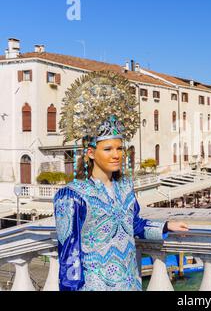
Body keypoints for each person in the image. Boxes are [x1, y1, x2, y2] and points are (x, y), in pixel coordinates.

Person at [54, 71, 188, 291]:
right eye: (108, 149)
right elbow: (69, 254)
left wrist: (166, 226)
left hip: (129, 283)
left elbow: (133, 225)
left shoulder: (125, 188)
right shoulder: (72, 196)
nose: (116, 155)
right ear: (90, 153)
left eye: (120, 148)